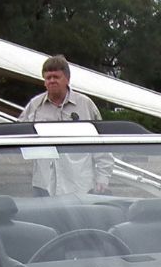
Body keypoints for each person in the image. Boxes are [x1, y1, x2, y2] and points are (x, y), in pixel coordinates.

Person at [19, 55, 110, 196]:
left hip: (80, 185)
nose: (52, 81)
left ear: (67, 79)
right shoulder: (34, 106)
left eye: (56, 77)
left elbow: (103, 144)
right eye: (48, 78)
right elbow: (18, 137)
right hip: (44, 184)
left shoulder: (85, 105)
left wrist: (103, 177)